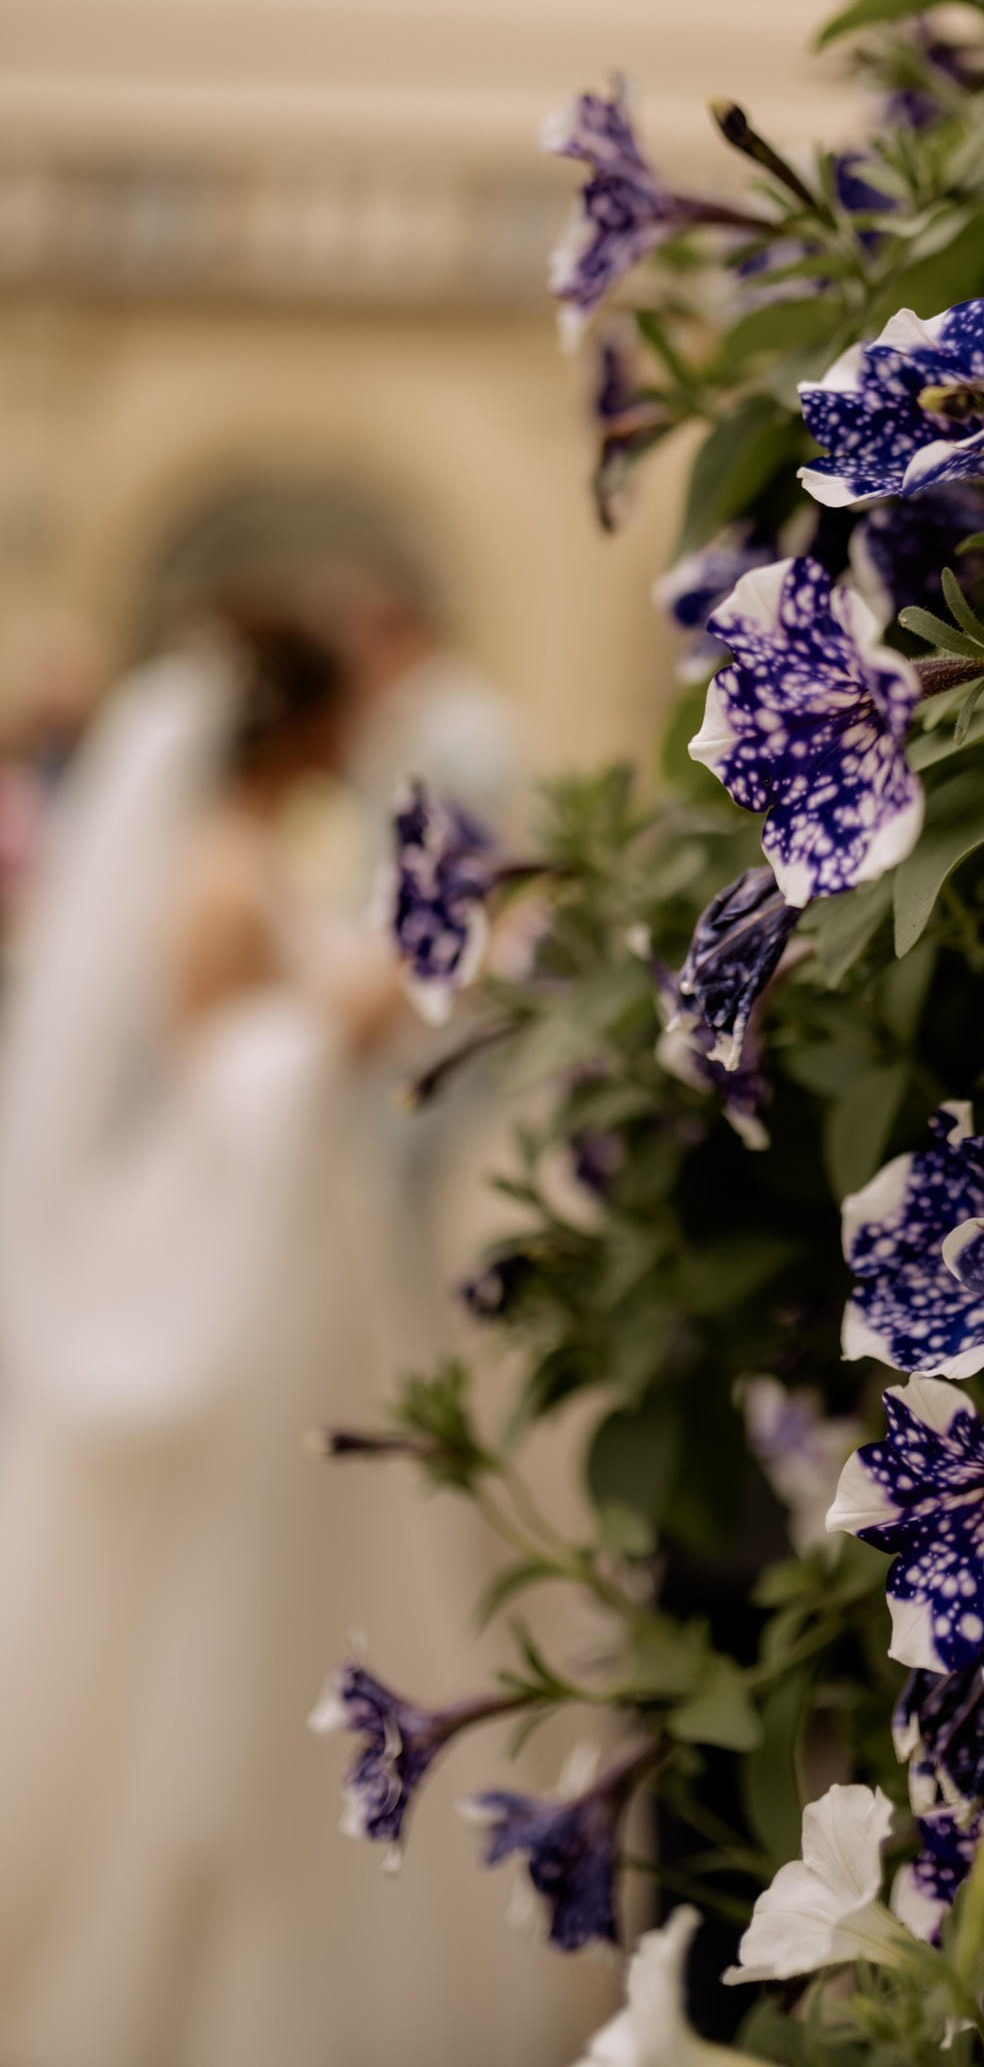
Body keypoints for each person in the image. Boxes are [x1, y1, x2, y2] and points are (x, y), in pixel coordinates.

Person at [0, 625, 611, 2067]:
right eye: (342, 719)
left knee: (316, 1573)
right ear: (297, 726)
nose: (357, 741)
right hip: (258, 1274)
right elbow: (237, 1078)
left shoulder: (242, 845)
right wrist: (413, 974)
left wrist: (409, 974)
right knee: (245, 1590)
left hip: (309, 1266)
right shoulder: (217, 870)